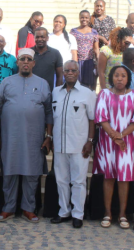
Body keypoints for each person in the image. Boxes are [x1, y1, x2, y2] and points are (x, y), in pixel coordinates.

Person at [0, 48, 53, 223]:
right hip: (10, 137)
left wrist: (48, 136)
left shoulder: (43, 84)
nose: (25, 62)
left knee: (31, 173)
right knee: (9, 172)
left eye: (29, 59)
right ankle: (8, 208)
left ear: (33, 63)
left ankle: (29, 208)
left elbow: (49, 112)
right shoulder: (6, 82)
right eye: (22, 59)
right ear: (17, 62)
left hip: (34, 139)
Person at [94, 65, 134, 229]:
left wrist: (121, 136)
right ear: (111, 77)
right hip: (107, 143)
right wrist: (114, 136)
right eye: (116, 75)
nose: (120, 78)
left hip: (127, 144)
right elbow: (101, 117)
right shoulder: (104, 94)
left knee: (124, 178)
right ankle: (107, 213)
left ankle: (122, 214)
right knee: (108, 177)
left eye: (123, 76)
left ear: (128, 78)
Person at [50, 61, 96, 228]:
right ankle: (64, 212)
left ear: (78, 73)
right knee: (61, 180)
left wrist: (90, 141)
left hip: (79, 145)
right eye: (66, 70)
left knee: (78, 181)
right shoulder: (55, 92)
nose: (69, 73)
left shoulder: (87, 93)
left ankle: (78, 214)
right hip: (60, 145)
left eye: (73, 70)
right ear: (62, 72)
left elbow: (92, 119)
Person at [70, 10, 99, 90]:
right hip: (77, 61)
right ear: (79, 18)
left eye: (86, 18)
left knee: (88, 85)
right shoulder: (73, 32)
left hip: (89, 61)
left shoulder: (93, 32)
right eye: (82, 17)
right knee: (76, 84)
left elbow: (96, 49)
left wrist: (98, 63)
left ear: (89, 19)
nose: (84, 19)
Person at [31, 27, 63, 91]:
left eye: (42, 37)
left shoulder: (55, 53)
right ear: (34, 38)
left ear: (47, 38)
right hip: (30, 92)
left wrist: (57, 93)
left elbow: (60, 76)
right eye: (37, 37)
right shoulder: (29, 53)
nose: (40, 39)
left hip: (47, 93)